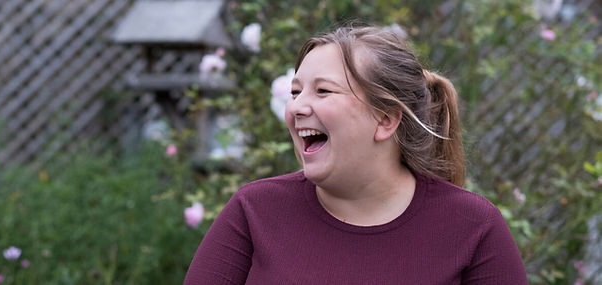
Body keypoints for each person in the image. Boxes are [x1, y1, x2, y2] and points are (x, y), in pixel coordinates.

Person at [184, 26, 527, 284]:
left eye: (323, 91)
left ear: (385, 119)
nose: (297, 106)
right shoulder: (254, 210)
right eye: (295, 91)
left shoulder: (474, 227)